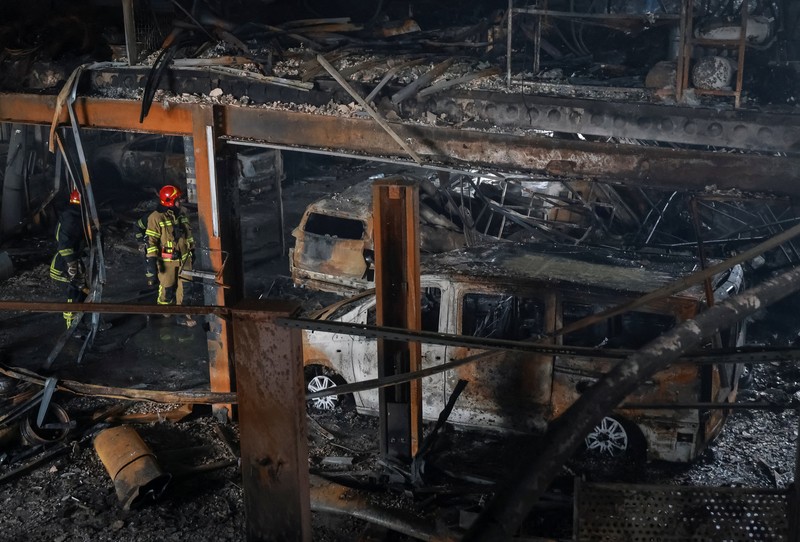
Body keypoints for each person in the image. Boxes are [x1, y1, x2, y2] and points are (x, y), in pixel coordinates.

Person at [144, 184, 195, 324]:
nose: (181, 201)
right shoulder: (156, 217)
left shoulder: (182, 214)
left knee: (186, 288)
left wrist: (193, 251)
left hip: (185, 259)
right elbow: (151, 241)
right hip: (167, 262)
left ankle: (183, 316)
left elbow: (189, 235)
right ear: (169, 201)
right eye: (178, 199)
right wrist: (151, 262)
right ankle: (165, 311)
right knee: (167, 289)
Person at [49, 189, 88, 329]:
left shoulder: (73, 215)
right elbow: (64, 245)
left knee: (83, 294)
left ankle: (85, 322)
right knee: (74, 296)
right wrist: (72, 265)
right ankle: (73, 327)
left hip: (71, 263)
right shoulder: (72, 218)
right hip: (63, 268)